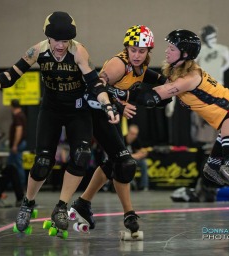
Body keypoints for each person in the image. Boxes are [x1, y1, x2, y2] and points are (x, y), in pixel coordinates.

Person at [0, 11, 118, 233]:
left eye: (65, 41)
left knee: (82, 156)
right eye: (56, 40)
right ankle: (28, 202)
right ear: (48, 37)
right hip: (51, 110)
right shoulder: (38, 50)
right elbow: (10, 75)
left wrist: (107, 104)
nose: (61, 46)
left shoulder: (78, 51)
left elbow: (95, 84)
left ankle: (61, 206)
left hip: (77, 110)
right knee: (43, 162)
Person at [114, 29, 229, 229]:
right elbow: (158, 92)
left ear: (184, 54)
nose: (166, 51)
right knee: (212, 171)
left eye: (171, 48)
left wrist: (114, 91)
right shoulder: (178, 73)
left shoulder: (188, 78)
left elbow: (151, 98)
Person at [69, 25, 167, 236]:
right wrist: (120, 104)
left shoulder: (140, 66)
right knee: (125, 163)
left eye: (142, 51)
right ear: (126, 48)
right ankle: (129, 213)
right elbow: (96, 85)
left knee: (115, 162)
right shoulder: (119, 64)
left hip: (107, 114)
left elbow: (157, 79)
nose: (137, 55)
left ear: (149, 51)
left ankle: (83, 203)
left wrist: (173, 86)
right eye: (133, 50)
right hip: (96, 111)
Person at [7, 99, 27, 188]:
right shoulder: (21, 115)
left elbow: (19, 130)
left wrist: (15, 145)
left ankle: (19, 184)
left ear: (12, 106)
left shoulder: (17, 116)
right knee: (13, 163)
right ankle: (14, 183)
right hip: (20, 143)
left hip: (18, 144)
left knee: (15, 164)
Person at [124, 124, 149, 191]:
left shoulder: (136, 140)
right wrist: (135, 155)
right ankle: (128, 184)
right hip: (124, 161)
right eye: (132, 134)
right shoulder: (122, 139)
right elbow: (123, 155)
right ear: (128, 132)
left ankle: (144, 186)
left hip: (134, 160)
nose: (134, 136)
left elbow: (143, 152)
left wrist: (137, 155)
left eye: (136, 134)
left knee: (144, 163)